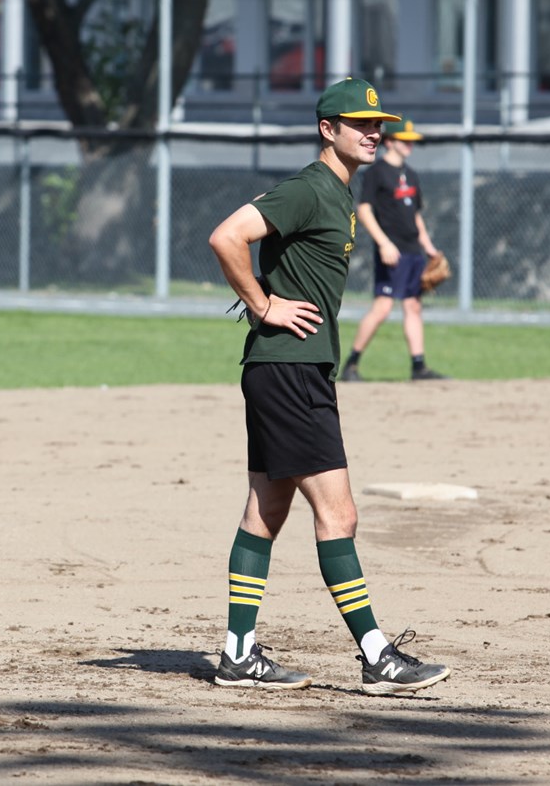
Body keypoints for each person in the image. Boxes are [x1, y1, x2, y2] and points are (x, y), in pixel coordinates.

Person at [206, 77, 451, 694]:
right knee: (338, 514)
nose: (374, 132)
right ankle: (377, 656)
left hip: (288, 370)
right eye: (360, 123)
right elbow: (226, 237)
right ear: (327, 129)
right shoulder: (311, 189)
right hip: (288, 369)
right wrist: (264, 307)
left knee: (267, 509)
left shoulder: (337, 193)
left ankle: (238, 655)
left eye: (378, 125)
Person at [340, 119, 447, 382]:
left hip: (413, 250)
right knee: (383, 307)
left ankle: (418, 366)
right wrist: (383, 243)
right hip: (392, 250)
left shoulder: (410, 174)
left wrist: (429, 248)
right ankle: (351, 365)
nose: (409, 145)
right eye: (404, 140)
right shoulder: (377, 172)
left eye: (411, 141)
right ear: (389, 142)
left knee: (413, 306)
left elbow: (416, 215)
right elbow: (364, 210)